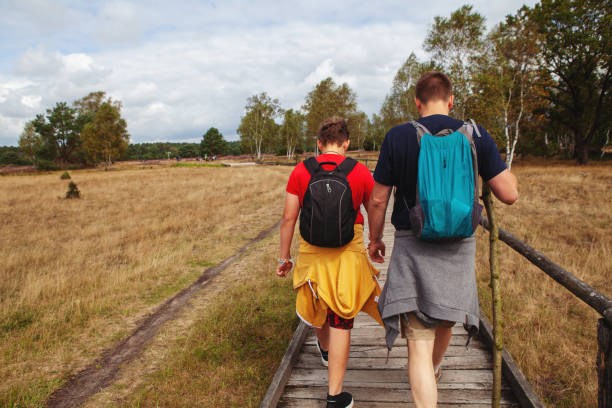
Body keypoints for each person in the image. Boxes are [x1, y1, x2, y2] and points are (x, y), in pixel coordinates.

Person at [367, 72, 519, 408]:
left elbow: (378, 200)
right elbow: (509, 194)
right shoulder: (475, 134)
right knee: (446, 315)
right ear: (451, 100)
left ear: (417, 102)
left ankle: (427, 374)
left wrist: (375, 239)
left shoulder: (398, 136)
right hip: (458, 251)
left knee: (417, 344)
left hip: (412, 246)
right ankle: (435, 370)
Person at [277, 116, 383, 408]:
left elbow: (288, 217)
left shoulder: (301, 171)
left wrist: (285, 257)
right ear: (346, 143)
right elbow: (374, 205)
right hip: (348, 249)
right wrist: (375, 241)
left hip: (312, 251)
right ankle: (335, 396)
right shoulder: (359, 171)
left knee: (318, 302)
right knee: (341, 317)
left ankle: (325, 349)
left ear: (319, 144)